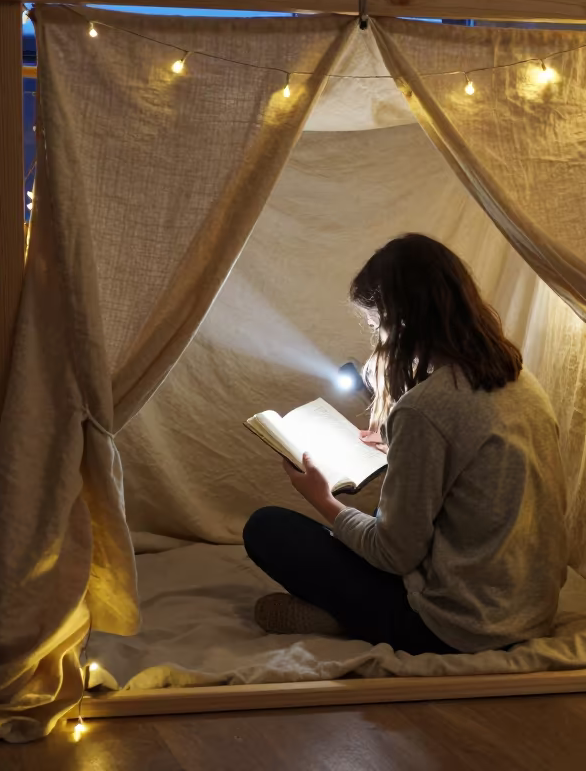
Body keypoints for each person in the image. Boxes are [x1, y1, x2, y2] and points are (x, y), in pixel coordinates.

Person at [242, 234, 568, 655]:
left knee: (267, 527)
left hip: (456, 628)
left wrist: (322, 499)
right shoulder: (521, 381)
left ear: (403, 322)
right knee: (376, 518)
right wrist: (400, 450)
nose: (378, 339)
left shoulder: (426, 408)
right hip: (532, 611)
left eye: (378, 326)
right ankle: (356, 612)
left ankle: (350, 617)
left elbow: (393, 554)